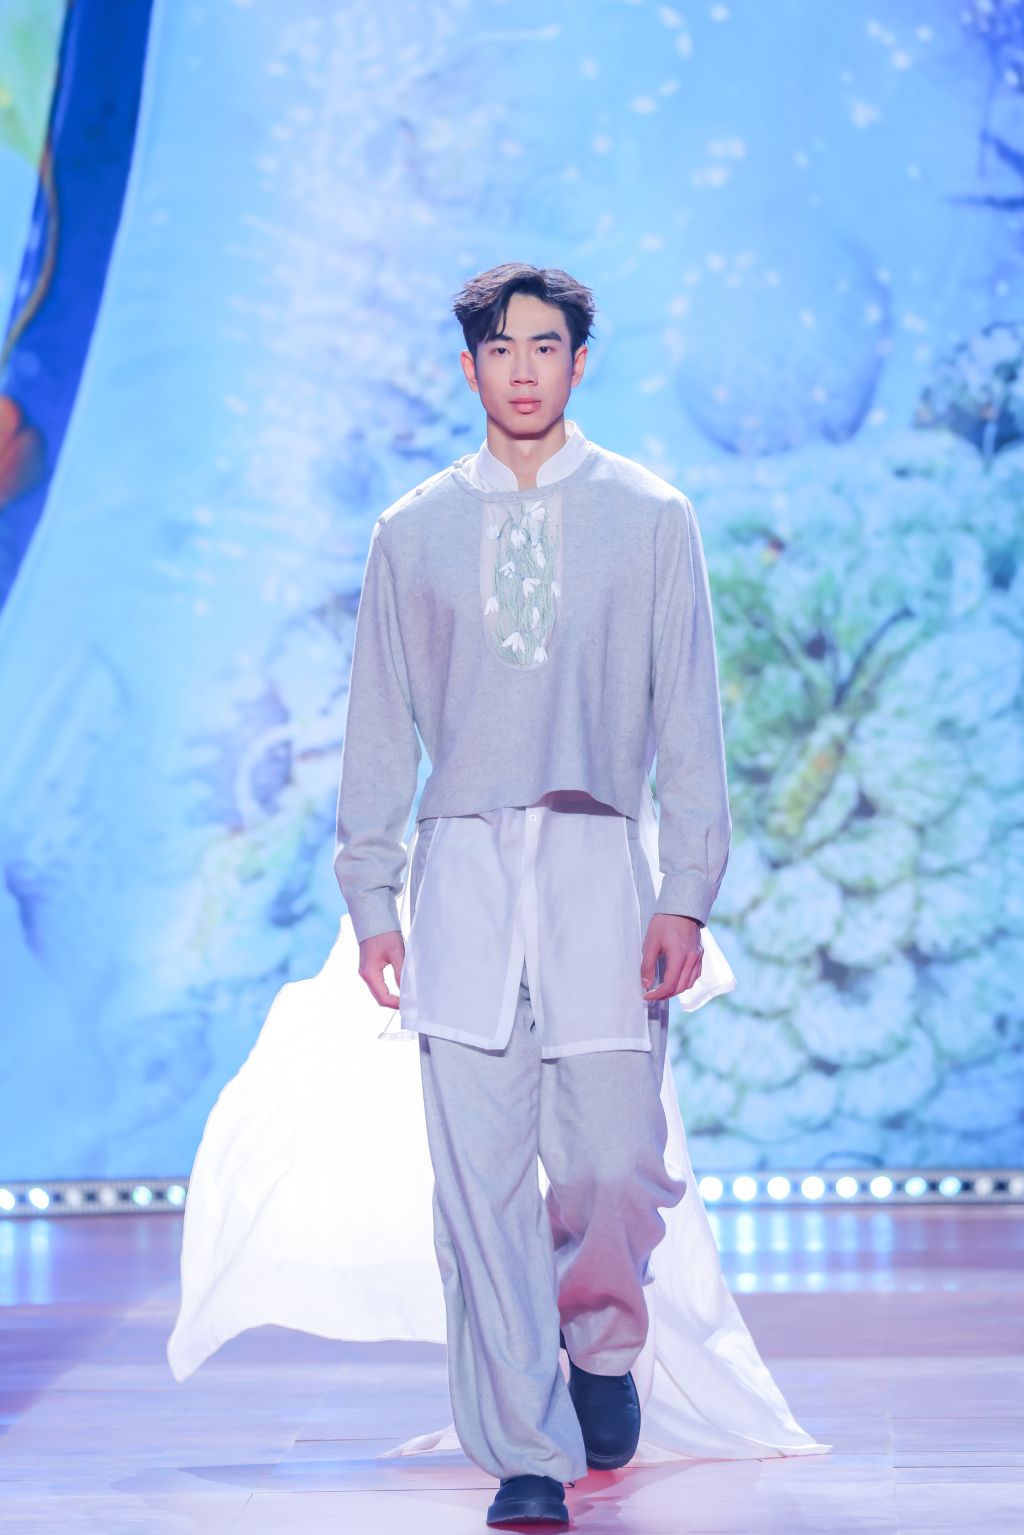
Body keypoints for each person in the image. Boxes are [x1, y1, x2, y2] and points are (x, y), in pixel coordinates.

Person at [333, 262, 733, 1528]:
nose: (522, 367)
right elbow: (377, 724)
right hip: (459, 871)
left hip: (597, 866)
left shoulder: (649, 515)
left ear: (577, 361)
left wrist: (687, 889)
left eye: (545, 346)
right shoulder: (411, 529)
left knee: (613, 1161)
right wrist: (371, 893)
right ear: (468, 367)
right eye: (500, 348)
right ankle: (523, 1447)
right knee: (482, 1189)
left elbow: (690, 713)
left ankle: (600, 1339)